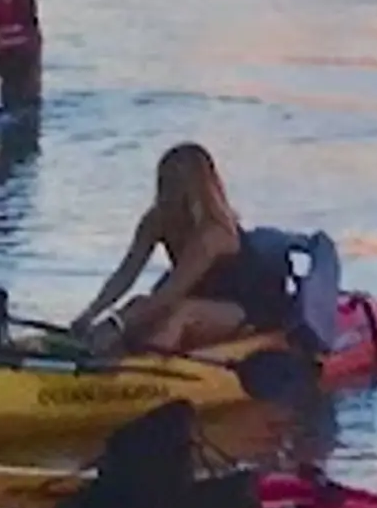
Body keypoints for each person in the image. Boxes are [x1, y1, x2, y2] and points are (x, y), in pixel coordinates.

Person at [71, 141, 303, 356]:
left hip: (245, 307)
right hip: (199, 296)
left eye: (174, 184)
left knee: (181, 314)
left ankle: (145, 371)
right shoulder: (156, 220)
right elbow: (126, 274)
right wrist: (91, 313)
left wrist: (117, 324)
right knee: (139, 304)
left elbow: (172, 291)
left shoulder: (213, 233)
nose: (167, 192)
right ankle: (99, 354)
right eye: (164, 182)